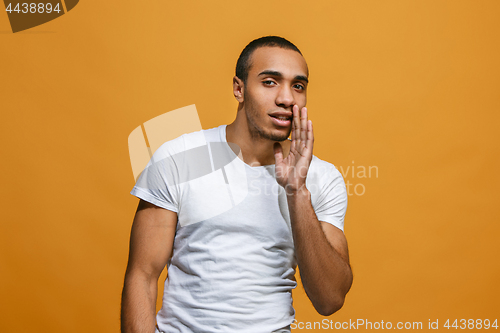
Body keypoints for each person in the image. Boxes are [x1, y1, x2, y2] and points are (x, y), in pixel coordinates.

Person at [121, 36, 353, 333]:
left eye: (298, 86)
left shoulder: (322, 177)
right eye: (270, 82)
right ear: (239, 89)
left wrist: (297, 191)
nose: (287, 98)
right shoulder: (178, 158)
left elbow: (330, 299)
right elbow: (142, 276)